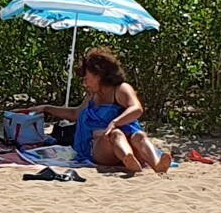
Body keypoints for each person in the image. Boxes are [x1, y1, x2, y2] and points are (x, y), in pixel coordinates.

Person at [30, 48, 172, 175]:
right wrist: (46, 108)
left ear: (98, 76)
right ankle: (128, 159)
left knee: (139, 135)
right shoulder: (92, 96)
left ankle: (157, 165)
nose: (85, 81)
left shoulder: (121, 89)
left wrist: (115, 122)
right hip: (101, 148)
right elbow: (75, 114)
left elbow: (137, 109)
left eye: (87, 77)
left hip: (129, 140)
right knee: (115, 135)